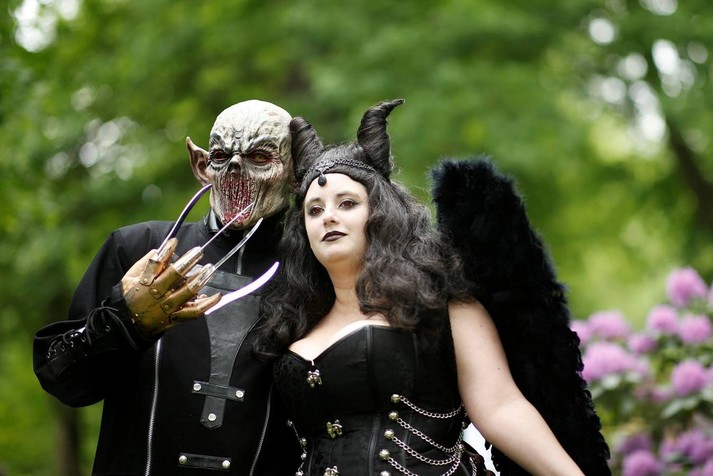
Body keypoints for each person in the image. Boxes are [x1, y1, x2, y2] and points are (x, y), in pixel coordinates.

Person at [255, 99, 611, 475]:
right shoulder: (290, 322)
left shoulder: (439, 305)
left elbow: (501, 407)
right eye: (314, 210)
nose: (328, 217)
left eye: (347, 203)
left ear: (381, 213)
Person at [33, 99, 299, 475]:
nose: (236, 169)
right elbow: (61, 378)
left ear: (296, 173)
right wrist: (124, 320)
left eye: (259, 157)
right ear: (201, 166)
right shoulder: (137, 249)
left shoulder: (313, 274)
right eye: (221, 156)